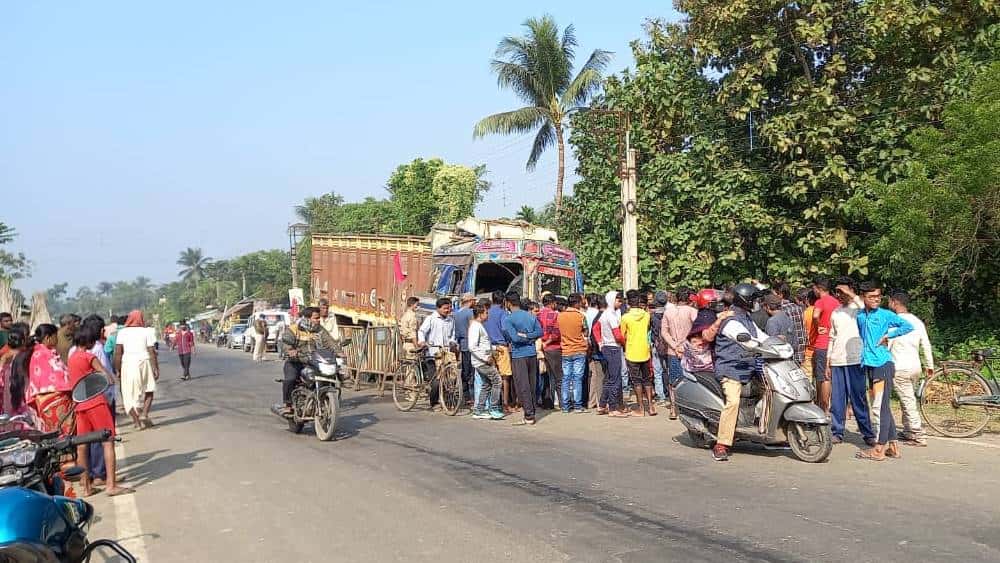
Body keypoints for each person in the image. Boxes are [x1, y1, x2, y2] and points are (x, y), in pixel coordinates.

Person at [67, 325, 133, 497]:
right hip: (96, 403)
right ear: (88, 341)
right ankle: (111, 485)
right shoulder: (89, 357)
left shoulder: (72, 358)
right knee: (108, 441)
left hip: (80, 405)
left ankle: (86, 487)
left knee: (82, 446)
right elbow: (107, 377)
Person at [855, 282, 913, 461]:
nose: (876, 300)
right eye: (871, 297)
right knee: (883, 406)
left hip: (883, 364)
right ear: (863, 297)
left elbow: (907, 326)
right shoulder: (860, 317)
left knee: (879, 406)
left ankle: (879, 448)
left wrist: (889, 336)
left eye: (878, 296)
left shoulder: (886, 315)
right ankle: (893, 446)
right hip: (870, 364)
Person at [712, 283, 767, 462]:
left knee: (771, 391)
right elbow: (749, 341)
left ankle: (765, 430)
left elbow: (760, 336)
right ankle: (722, 444)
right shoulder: (731, 321)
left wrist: (779, 344)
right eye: (754, 300)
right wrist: (760, 345)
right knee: (733, 402)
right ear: (745, 300)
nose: (757, 303)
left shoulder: (747, 318)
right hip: (731, 369)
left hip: (748, 368)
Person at [825, 278, 875, 446]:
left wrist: (850, 293)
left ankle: (867, 432)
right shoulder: (836, 312)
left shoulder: (859, 309)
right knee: (838, 399)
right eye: (837, 292)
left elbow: (865, 305)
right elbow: (831, 337)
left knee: (858, 398)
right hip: (838, 360)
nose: (840, 295)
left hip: (855, 359)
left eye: (842, 292)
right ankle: (837, 431)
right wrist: (828, 362)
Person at [888, 291, 933, 446]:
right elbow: (926, 345)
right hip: (915, 367)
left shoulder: (894, 321)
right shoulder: (917, 321)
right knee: (907, 398)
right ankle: (908, 430)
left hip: (900, 367)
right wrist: (929, 365)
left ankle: (918, 434)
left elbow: (888, 342)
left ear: (894, 302)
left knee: (907, 400)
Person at [13, 324, 74, 435]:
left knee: (54, 435)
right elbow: (61, 375)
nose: (57, 340)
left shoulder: (33, 352)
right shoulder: (45, 353)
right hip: (56, 399)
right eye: (55, 337)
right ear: (48, 338)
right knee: (66, 436)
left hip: (42, 403)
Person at [281, 307, 339, 415]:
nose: (318, 320)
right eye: (316, 318)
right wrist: (290, 350)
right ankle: (288, 404)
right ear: (307, 318)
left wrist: (339, 352)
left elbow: (330, 342)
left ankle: (326, 399)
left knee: (330, 375)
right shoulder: (294, 329)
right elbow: (285, 343)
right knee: (290, 379)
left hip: (313, 362)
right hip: (296, 361)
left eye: (319, 318)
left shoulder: (320, 330)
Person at [113, 310, 159, 430]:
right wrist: (155, 368)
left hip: (128, 364)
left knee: (128, 395)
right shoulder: (146, 331)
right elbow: (151, 351)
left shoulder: (122, 332)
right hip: (144, 361)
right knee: (149, 389)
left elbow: (118, 353)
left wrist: (117, 370)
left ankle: (137, 422)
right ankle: (144, 413)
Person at [502, 292, 541, 426]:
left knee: (522, 385)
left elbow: (515, 338)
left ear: (508, 303)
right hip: (531, 353)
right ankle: (532, 411)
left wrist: (523, 335)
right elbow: (539, 332)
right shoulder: (530, 316)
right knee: (531, 383)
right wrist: (530, 336)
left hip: (519, 355)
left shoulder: (508, 319)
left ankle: (528, 415)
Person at [662, 288, 697, 418]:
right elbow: (697, 329)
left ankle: (673, 408)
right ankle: (689, 407)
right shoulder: (692, 311)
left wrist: (674, 345)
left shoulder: (668, 312)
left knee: (674, 380)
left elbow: (664, 332)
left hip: (673, 350)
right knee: (691, 379)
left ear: (676, 298)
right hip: (689, 350)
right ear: (688, 298)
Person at [417, 298, 457, 410]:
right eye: (445, 308)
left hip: (446, 353)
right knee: (436, 380)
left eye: (449, 308)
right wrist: (422, 341)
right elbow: (422, 331)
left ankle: (445, 400)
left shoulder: (451, 320)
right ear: (438, 308)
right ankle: (433, 402)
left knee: (449, 377)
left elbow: (453, 335)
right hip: (433, 354)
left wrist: (453, 342)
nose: (448, 310)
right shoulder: (431, 319)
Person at [621, 291, 655, 416]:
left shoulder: (625, 317)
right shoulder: (646, 315)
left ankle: (641, 408)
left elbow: (622, 335)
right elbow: (647, 329)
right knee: (647, 379)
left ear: (628, 303)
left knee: (636, 381)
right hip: (645, 350)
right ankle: (651, 407)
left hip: (631, 352)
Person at [468, 302, 504, 420]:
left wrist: (493, 348)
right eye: (486, 313)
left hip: (482, 359)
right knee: (497, 381)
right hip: (482, 361)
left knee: (487, 385)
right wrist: (485, 358)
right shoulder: (475, 327)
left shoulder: (479, 326)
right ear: (480, 314)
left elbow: (483, 344)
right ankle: (493, 407)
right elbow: (472, 346)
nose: (488, 315)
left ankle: (479, 410)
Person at [597, 291, 628, 417]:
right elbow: (617, 334)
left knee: (610, 378)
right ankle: (613, 408)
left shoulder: (606, 314)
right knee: (615, 379)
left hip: (606, 347)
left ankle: (602, 405)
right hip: (613, 347)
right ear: (611, 300)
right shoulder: (610, 315)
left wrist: (600, 342)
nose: (620, 303)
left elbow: (595, 328)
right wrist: (625, 343)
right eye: (618, 300)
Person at [811, 277, 839, 413]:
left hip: (822, 343)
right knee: (832, 376)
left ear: (819, 288)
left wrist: (818, 327)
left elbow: (815, 315)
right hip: (834, 342)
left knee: (823, 377)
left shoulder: (820, 301)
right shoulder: (837, 302)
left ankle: (824, 407)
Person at [557, 293, 588, 414]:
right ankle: (577, 405)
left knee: (566, 378)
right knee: (577, 379)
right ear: (577, 303)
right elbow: (586, 333)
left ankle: (565, 406)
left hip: (565, 350)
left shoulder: (560, 316)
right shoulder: (581, 316)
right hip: (579, 350)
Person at [483, 290, 512, 412]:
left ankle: (489, 402)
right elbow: (505, 329)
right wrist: (509, 340)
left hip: (488, 347)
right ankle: (505, 403)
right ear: (503, 300)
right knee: (505, 376)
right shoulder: (503, 313)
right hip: (501, 347)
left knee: (490, 376)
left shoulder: (486, 313)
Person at [537, 294, 562, 409]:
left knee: (545, 376)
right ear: (552, 303)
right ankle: (562, 402)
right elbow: (556, 333)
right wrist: (547, 343)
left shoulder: (538, 315)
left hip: (540, 348)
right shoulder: (556, 315)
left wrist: (542, 344)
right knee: (558, 377)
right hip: (554, 348)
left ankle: (547, 402)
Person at [0, 323, 31, 417]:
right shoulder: (25, 354)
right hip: (21, 381)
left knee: (8, 401)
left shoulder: (5, 355)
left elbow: (1, 370)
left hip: (6, 382)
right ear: (22, 341)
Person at [774, 283, 807, 366]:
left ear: (780, 294)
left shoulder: (781, 310)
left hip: (788, 352)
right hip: (802, 350)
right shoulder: (800, 308)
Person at [453, 293, 476, 403]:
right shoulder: (470, 313)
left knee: (465, 369)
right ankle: (470, 395)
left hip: (462, 344)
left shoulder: (457, 313)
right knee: (472, 370)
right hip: (470, 344)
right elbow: (472, 329)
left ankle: (465, 394)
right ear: (470, 301)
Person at [586, 294, 606, 410]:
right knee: (599, 377)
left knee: (595, 376)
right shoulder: (601, 317)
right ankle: (600, 403)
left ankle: (592, 401)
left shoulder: (595, 316)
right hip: (599, 351)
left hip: (593, 350)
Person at [649, 291, 670, 405]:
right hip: (669, 345)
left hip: (656, 345)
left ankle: (660, 396)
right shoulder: (670, 314)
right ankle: (669, 395)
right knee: (668, 370)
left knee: (657, 371)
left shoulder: (652, 316)